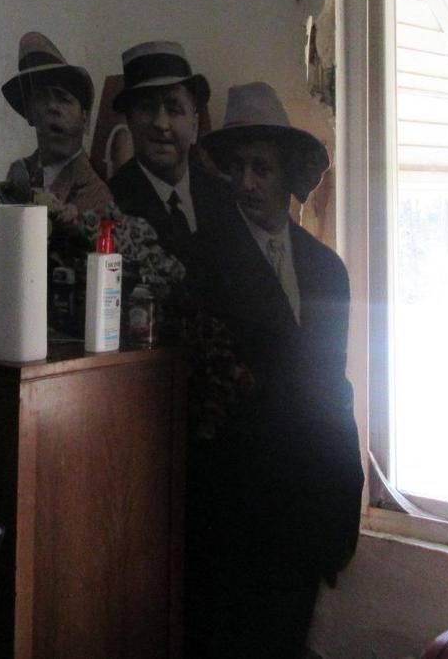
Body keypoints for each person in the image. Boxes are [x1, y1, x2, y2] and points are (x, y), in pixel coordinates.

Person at [181, 81, 363, 659]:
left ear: (287, 173)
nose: (248, 183)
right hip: (234, 511)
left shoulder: (327, 270)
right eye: (238, 168)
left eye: (261, 168)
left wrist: (342, 499)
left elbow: (333, 391)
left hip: (304, 506)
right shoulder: (205, 260)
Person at [107, 40, 234, 262]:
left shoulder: (226, 199)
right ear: (130, 121)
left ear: (194, 125)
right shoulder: (111, 202)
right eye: (148, 108)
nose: (161, 123)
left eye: (174, 109)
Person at [0, 32, 114, 214]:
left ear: (84, 116)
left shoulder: (97, 196)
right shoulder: (19, 172)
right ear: (29, 113)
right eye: (42, 97)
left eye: (63, 98)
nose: (53, 107)